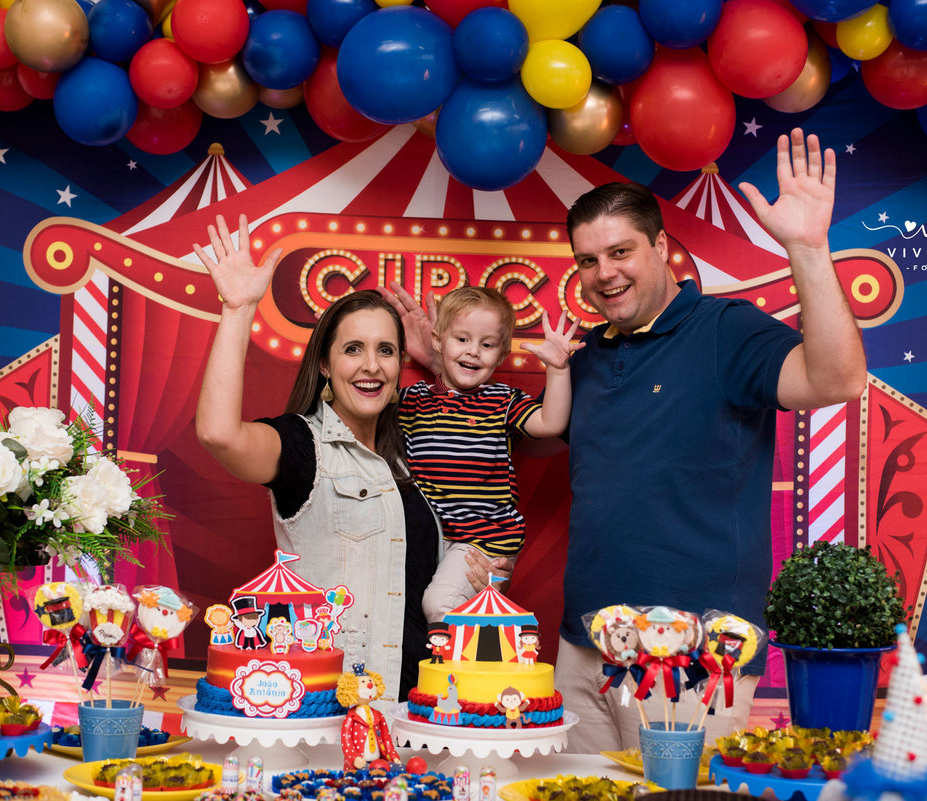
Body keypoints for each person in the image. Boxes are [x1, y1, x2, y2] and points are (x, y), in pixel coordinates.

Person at [383, 129, 867, 750]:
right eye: (588, 260)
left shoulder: (725, 330)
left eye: (620, 252)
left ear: (661, 245)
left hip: (691, 655)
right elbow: (503, 441)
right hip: (581, 650)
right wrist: (442, 369)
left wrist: (806, 248)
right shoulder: (582, 357)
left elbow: (838, 378)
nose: (604, 274)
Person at [193, 215, 510, 703]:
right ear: (324, 363)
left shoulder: (415, 452)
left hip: (417, 709)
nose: (370, 365)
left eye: (385, 350)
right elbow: (219, 434)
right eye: (353, 350)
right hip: (328, 710)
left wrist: (479, 575)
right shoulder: (303, 447)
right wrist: (239, 309)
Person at [397, 286, 582, 622]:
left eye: (486, 345)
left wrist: (557, 369)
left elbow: (551, 422)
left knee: (440, 605)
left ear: (500, 355)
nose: (473, 353)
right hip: (429, 536)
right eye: (462, 339)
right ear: (438, 340)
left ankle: (458, 673)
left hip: (482, 540)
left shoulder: (501, 400)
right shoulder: (412, 400)